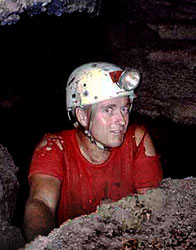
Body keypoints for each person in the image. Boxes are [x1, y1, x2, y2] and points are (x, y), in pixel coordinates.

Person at [23, 62, 162, 242]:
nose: (121, 120)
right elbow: (41, 203)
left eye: (124, 108)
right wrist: (45, 244)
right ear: (82, 116)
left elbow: (153, 206)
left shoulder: (137, 141)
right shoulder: (55, 147)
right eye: (108, 109)